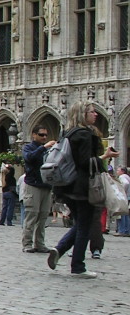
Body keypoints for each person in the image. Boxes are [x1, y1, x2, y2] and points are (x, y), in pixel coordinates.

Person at [47, 102, 118, 278]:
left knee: (80, 223)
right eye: (92, 112)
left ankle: (60, 249)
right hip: (83, 187)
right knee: (85, 226)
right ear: (82, 114)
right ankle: (78, 266)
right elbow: (85, 163)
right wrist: (105, 157)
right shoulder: (85, 135)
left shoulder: (68, 134)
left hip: (67, 185)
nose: (96, 115)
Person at [21, 125, 55, 252]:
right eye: (41, 135)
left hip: (46, 186)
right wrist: (44, 147)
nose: (44, 137)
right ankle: (27, 244)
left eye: (46, 135)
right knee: (32, 215)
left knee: (43, 216)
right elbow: (29, 158)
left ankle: (39, 244)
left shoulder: (49, 150)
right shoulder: (28, 147)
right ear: (34, 135)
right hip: (33, 185)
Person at [0, 161, 17, 226]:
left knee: (4, 208)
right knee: (10, 208)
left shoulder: (4, 176)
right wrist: (9, 166)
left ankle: (1, 221)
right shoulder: (10, 176)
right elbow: (12, 170)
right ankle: (9, 222)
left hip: (5, 192)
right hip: (10, 192)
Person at [115, 167, 130, 237]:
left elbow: (126, 184)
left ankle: (121, 230)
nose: (117, 171)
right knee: (126, 214)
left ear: (122, 171)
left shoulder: (122, 177)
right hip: (127, 197)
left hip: (123, 197)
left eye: (118, 170)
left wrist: (121, 191)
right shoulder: (127, 176)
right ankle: (127, 230)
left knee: (121, 214)